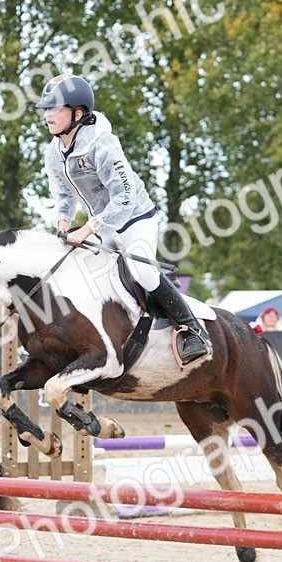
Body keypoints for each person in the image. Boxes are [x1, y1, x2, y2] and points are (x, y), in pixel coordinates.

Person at [38, 74, 211, 365]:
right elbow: (64, 197)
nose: (47, 115)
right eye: (46, 109)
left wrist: (88, 229)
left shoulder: (102, 144)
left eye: (55, 108)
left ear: (78, 113)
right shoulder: (53, 153)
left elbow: (124, 197)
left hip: (134, 219)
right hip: (100, 223)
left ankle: (192, 330)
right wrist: (63, 222)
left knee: (142, 272)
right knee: (69, 266)